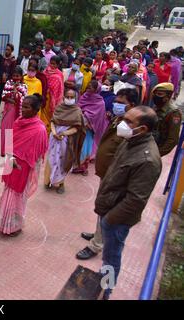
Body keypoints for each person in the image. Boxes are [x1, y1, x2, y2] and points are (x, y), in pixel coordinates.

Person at [95, 106, 162, 299]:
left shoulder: (147, 160)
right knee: (108, 255)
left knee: (111, 256)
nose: (123, 124)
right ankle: (104, 281)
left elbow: (135, 200)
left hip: (117, 219)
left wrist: (109, 220)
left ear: (143, 129)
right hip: (110, 207)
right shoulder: (130, 141)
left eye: (129, 121)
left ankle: (105, 290)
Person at [77, 88, 138, 260]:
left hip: (116, 175)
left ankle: (96, 245)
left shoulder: (130, 126)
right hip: (108, 172)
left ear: (131, 105)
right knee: (102, 205)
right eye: (116, 101)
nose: (116, 105)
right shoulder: (119, 119)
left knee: (107, 207)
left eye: (121, 103)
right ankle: (99, 234)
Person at [0, 94, 48, 236]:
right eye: (22, 106)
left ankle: (13, 226)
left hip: (23, 168)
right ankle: (3, 223)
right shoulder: (19, 121)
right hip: (11, 163)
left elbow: (37, 155)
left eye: (26, 107)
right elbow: (10, 141)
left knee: (17, 196)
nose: (22, 110)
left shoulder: (39, 129)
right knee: (8, 192)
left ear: (36, 109)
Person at [44, 89, 85, 194]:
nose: (69, 99)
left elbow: (77, 128)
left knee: (63, 161)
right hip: (54, 138)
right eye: (67, 97)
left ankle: (61, 184)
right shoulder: (59, 108)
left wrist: (64, 133)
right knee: (51, 160)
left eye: (72, 97)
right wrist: (54, 133)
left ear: (75, 98)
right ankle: (47, 181)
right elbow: (53, 121)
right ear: (64, 97)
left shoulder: (77, 111)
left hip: (67, 140)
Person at [73, 80, 108, 175]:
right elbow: (78, 108)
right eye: (88, 86)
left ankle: (83, 167)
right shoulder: (84, 97)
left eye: (91, 87)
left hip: (89, 129)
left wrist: (88, 120)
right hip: (79, 126)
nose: (88, 88)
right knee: (76, 146)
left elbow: (99, 117)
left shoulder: (100, 102)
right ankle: (75, 165)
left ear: (96, 89)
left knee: (85, 147)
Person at [0, 66, 28, 156]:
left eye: (18, 76)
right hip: (8, 109)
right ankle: (3, 150)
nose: (16, 78)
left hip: (17, 111)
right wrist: (12, 93)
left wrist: (16, 90)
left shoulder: (24, 86)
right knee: (5, 128)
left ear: (21, 76)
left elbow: (23, 99)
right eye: (14, 75)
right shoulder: (8, 83)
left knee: (14, 130)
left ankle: (11, 150)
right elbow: (3, 96)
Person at [151, 83, 182, 157]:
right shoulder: (157, 107)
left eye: (159, 94)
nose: (156, 96)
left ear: (168, 96)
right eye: (155, 93)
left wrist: (157, 154)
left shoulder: (174, 113)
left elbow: (172, 140)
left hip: (157, 149)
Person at [40, 56, 64, 133]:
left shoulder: (60, 74)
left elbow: (60, 88)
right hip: (44, 98)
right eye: (51, 63)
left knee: (50, 117)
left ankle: (47, 134)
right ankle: (42, 132)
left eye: (54, 64)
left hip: (53, 99)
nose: (52, 65)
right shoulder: (45, 71)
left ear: (57, 65)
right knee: (42, 116)